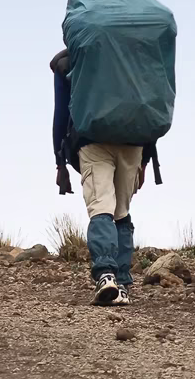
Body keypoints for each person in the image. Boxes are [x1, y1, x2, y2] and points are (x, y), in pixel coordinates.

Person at [52, 48, 157, 306]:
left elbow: (61, 113)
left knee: (101, 207)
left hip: (92, 139)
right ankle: (122, 284)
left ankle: (106, 275)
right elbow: (150, 108)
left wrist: (60, 162)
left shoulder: (68, 61)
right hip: (133, 140)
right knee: (121, 211)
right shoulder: (136, 55)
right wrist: (146, 159)